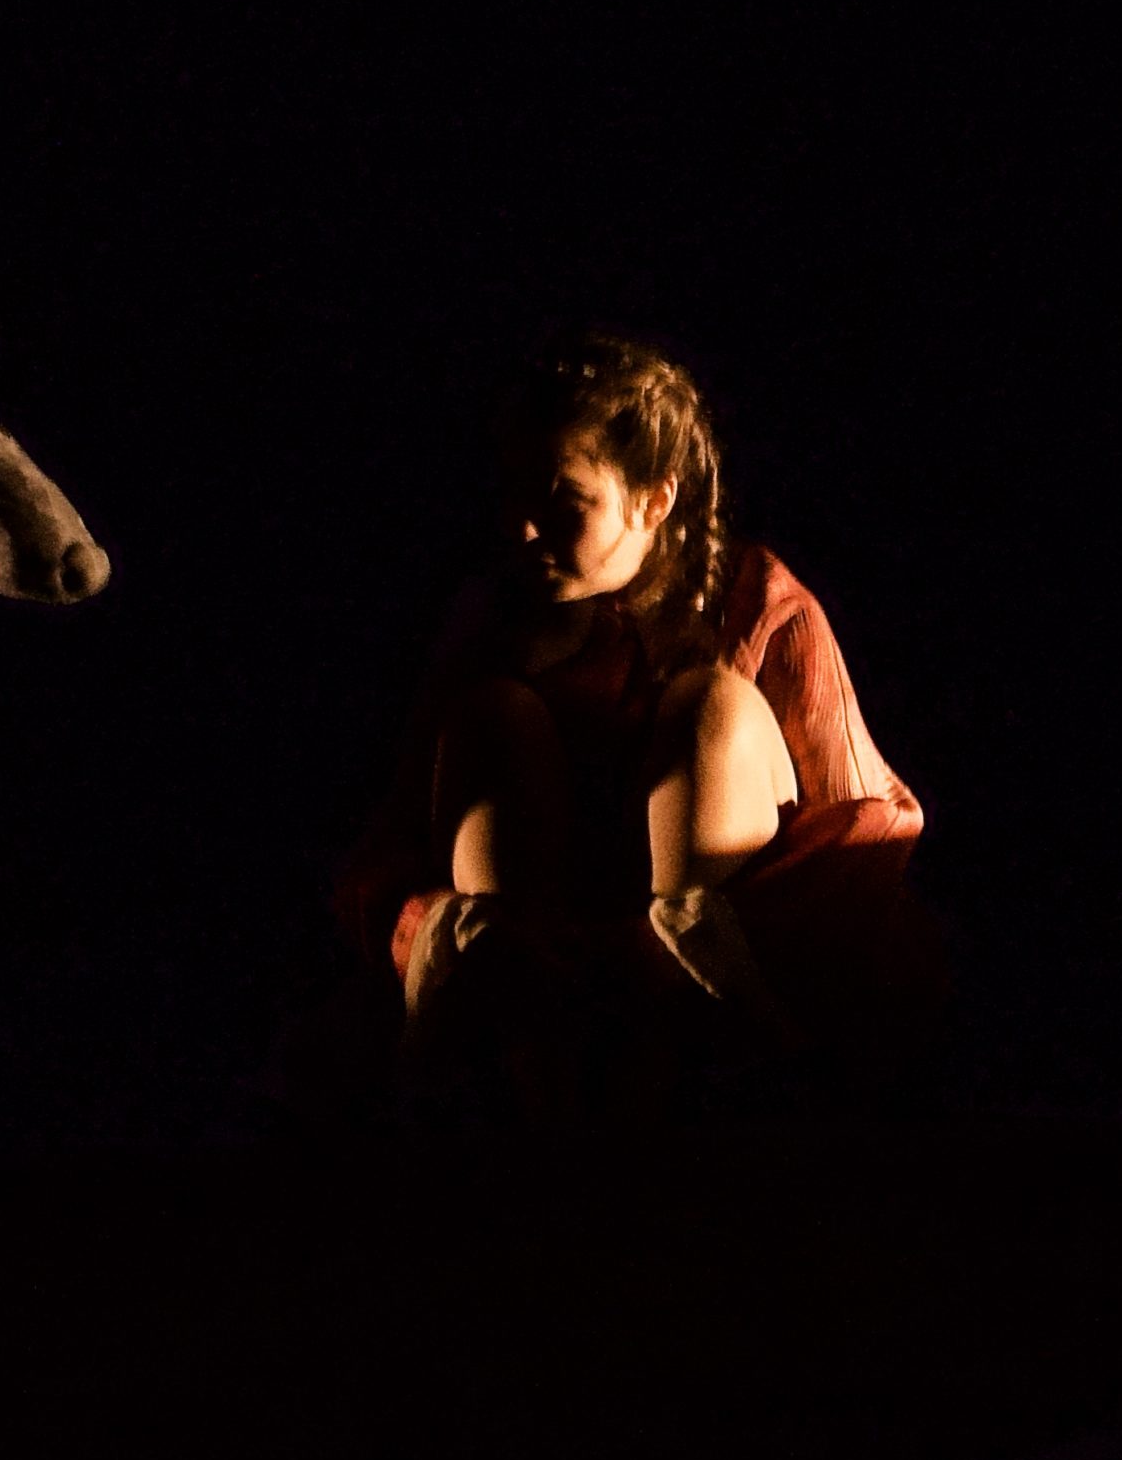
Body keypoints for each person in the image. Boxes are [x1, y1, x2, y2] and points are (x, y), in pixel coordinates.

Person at [331, 329, 943, 1128]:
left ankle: (703, 1083)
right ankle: (532, 1089)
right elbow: (397, 830)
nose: (524, 530)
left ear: (653, 501)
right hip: (549, 966)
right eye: (516, 496)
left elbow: (867, 824)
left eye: (562, 504)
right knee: (492, 715)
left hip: (700, 963)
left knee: (709, 706)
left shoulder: (756, 602)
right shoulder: (492, 621)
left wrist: (664, 951)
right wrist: (460, 942)